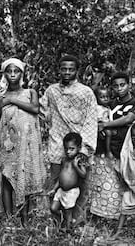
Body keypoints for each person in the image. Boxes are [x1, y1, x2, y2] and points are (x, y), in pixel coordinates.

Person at [0, 58, 46, 225]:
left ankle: (25, 216)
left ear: (22, 74)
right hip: (9, 145)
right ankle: (8, 217)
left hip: (28, 144)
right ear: (4, 74)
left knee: (27, 176)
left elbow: (35, 109)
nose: (13, 74)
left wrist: (13, 100)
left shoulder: (30, 93)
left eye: (17, 71)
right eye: (9, 71)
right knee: (7, 177)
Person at [40, 54, 98, 224]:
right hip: (58, 144)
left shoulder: (86, 92)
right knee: (56, 182)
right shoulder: (51, 91)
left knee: (81, 185)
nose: (67, 72)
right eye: (63, 69)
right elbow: (42, 111)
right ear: (59, 69)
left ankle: (77, 221)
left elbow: (91, 120)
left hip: (79, 146)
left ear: (77, 71)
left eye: (70, 69)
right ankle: (57, 222)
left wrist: (85, 149)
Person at [90, 72, 135, 220]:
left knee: (133, 183)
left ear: (129, 85)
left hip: (130, 150)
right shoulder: (110, 104)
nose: (119, 88)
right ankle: (111, 215)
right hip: (112, 149)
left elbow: (129, 118)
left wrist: (105, 125)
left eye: (123, 85)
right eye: (116, 86)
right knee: (110, 184)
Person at [49, 132, 87, 230]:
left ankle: (68, 229)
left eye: (72, 149)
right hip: (61, 190)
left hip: (71, 191)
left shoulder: (79, 160)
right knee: (53, 208)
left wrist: (75, 166)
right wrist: (54, 189)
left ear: (78, 148)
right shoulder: (64, 160)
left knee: (68, 211)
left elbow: (83, 175)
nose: (68, 151)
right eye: (66, 149)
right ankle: (62, 218)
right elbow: (60, 177)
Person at [94, 87, 113, 158]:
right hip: (98, 124)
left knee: (109, 133)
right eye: (102, 97)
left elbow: (110, 118)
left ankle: (107, 150)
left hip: (106, 125)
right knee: (107, 133)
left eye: (107, 97)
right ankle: (107, 151)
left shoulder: (107, 108)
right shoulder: (96, 107)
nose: (105, 99)